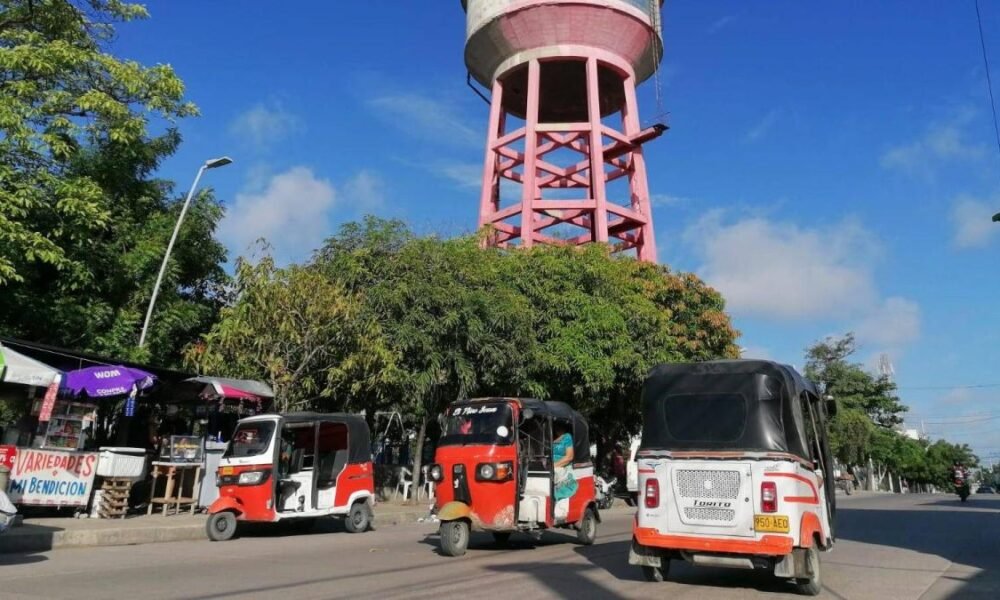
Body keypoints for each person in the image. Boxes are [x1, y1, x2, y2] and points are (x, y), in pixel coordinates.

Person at [553, 422, 578, 501]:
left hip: (563, 467)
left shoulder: (567, 437)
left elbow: (569, 457)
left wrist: (554, 465)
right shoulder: (552, 438)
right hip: (551, 465)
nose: (557, 428)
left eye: (559, 425)